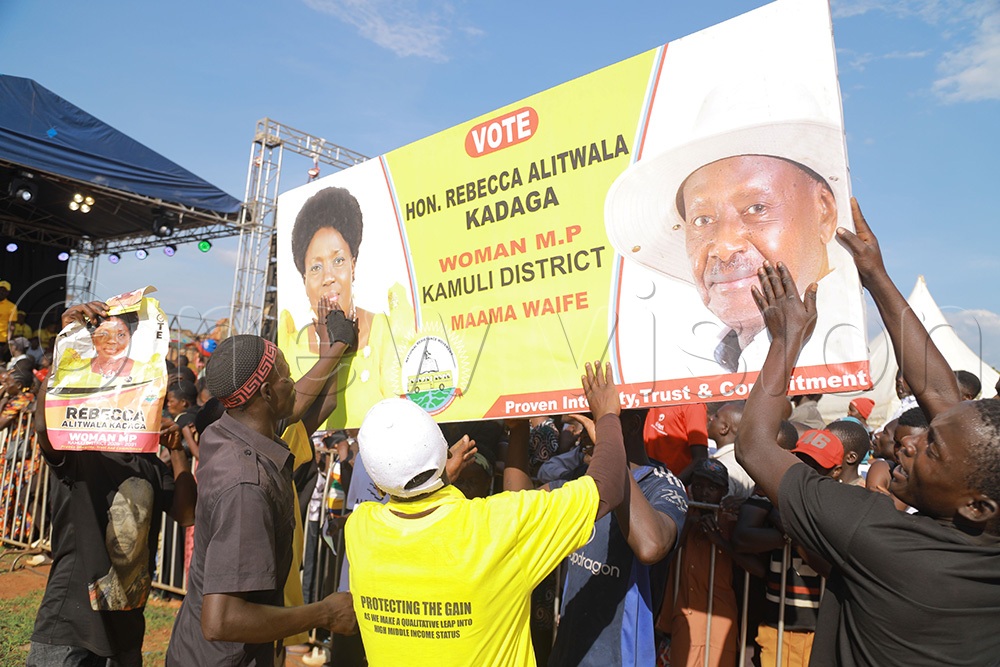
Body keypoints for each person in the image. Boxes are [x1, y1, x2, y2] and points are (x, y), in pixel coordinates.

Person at [735, 199, 1000, 665]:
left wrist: (786, 339)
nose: (911, 442)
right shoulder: (982, 531)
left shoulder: (877, 536)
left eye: (932, 450)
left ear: (977, 506)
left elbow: (755, 445)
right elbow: (941, 396)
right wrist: (873, 273)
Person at [344, 361, 628, 666]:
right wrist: (608, 417)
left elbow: (404, 498)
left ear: (374, 481)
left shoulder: (360, 528)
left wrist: (437, 478)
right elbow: (606, 487)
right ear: (443, 450)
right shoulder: (498, 526)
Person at [604, 82, 865, 378]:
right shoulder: (690, 362)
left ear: (824, 212)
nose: (724, 246)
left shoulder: (840, 358)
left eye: (756, 208)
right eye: (702, 220)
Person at [166, 335, 356, 667]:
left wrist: (336, 344)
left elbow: (314, 404)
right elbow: (220, 621)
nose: (295, 382)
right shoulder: (245, 486)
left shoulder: (225, 431)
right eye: (286, 376)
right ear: (266, 393)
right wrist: (324, 612)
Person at [27, 301, 197, 667]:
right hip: (70, 629)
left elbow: (186, 514)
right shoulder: (79, 452)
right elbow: (44, 426)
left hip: (125, 631)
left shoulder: (149, 461)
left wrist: (177, 451)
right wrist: (69, 347)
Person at [279, 186, 413, 427]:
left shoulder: (387, 330)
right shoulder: (290, 347)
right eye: (316, 267)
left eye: (338, 260)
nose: (328, 277)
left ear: (354, 264)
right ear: (304, 279)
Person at [660, 459, 764, 667]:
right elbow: (664, 553)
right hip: (684, 616)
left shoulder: (732, 522)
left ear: (724, 491)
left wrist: (721, 542)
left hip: (720, 619)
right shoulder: (681, 517)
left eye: (712, 487)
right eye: (697, 485)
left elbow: (757, 569)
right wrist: (689, 525)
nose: (704, 492)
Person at [643, 403, 709, 479]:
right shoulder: (643, 394)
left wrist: (673, 486)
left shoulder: (693, 404)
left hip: (670, 483)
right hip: (641, 480)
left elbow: (700, 458)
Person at [706, 401, 755, 499]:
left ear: (724, 428)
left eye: (716, 416)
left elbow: (719, 507)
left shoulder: (725, 467)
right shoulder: (745, 459)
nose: (710, 418)